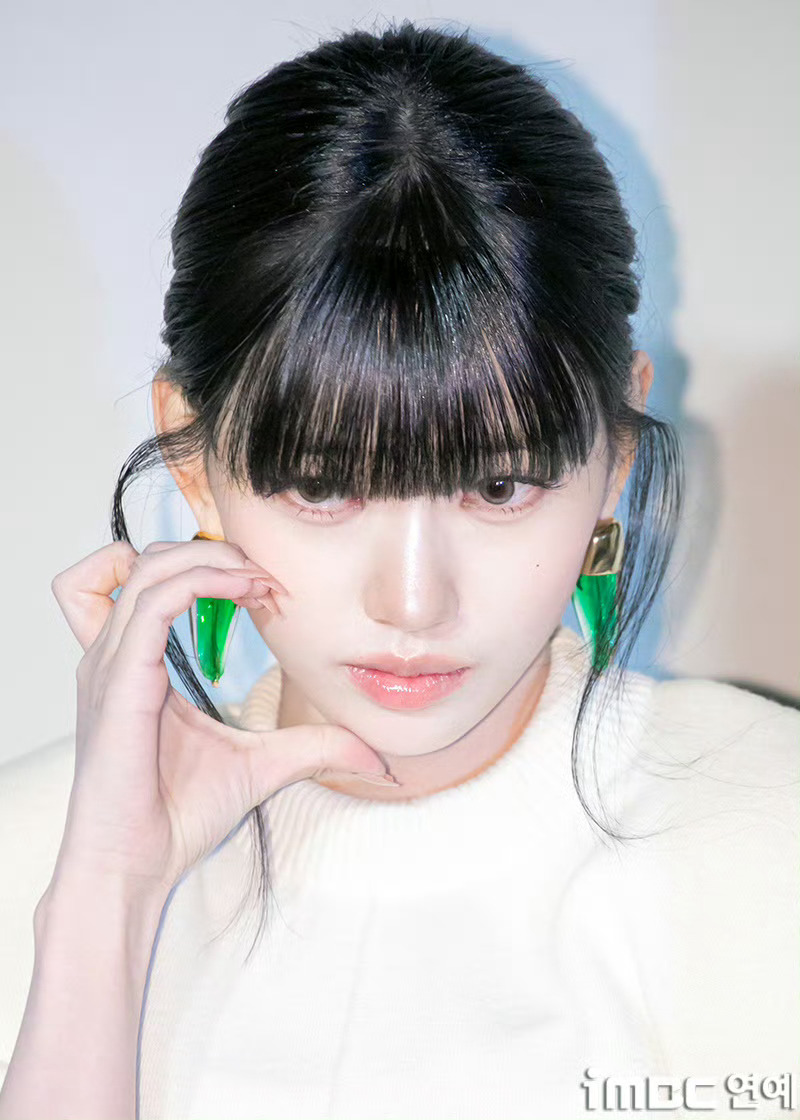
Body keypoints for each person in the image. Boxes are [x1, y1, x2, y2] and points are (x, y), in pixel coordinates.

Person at [0, 20, 797, 1120]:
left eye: (500, 486)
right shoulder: (31, 850)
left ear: (613, 455)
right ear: (191, 455)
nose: (412, 601)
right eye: (322, 487)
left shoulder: (771, 827)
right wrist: (104, 900)